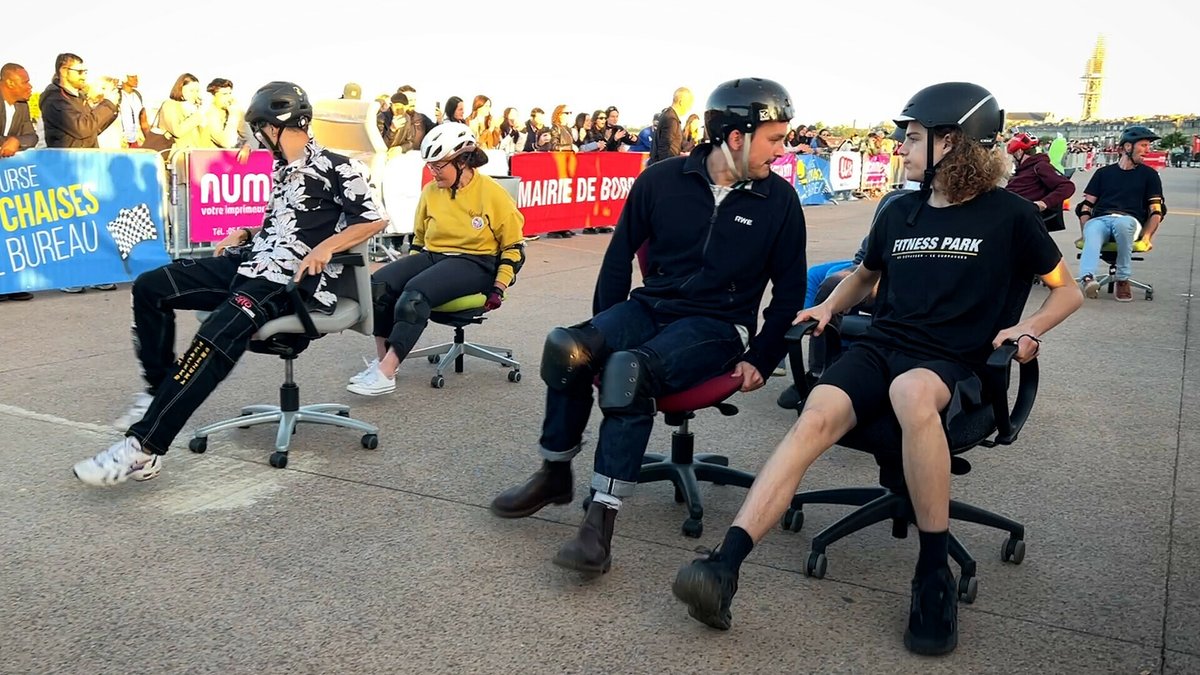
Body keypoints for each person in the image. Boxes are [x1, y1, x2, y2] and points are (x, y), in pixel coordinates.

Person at [671, 82, 1083, 656]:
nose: (901, 149)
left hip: (954, 363)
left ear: (954, 141)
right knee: (816, 414)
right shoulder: (899, 208)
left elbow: (1068, 293)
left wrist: (1029, 328)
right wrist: (828, 305)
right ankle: (724, 564)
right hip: (881, 345)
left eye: (913, 138)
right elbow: (866, 275)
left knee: (913, 393)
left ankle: (932, 574)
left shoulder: (1009, 215)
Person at [489, 77, 807, 576]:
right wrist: (600, 329)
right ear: (736, 136)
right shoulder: (660, 180)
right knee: (569, 347)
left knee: (629, 371)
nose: (782, 150)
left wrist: (763, 356)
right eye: (774, 138)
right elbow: (617, 260)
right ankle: (554, 473)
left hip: (719, 325)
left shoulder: (780, 201)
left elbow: (790, 291)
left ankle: (599, 523)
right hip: (651, 305)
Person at [73, 81, 387, 486]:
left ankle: (143, 449)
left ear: (274, 127)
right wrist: (246, 231)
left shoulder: (339, 166)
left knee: (216, 332)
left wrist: (326, 248)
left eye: (259, 129)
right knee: (153, 286)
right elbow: (288, 223)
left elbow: (374, 218)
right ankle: (159, 391)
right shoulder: (281, 169)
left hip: (287, 279)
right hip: (251, 262)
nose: (256, 138)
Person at [346, 122, 526, 396]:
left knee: (414, 296)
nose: (433, 172)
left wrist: (499, 287)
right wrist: (410, 271)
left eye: (439, 166)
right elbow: (419, 239)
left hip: (477, 262)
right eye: (430, 166)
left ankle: (386, 372)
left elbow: (514, 247)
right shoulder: (431, 192)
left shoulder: (493, 194)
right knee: (378, 286)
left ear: (463, 161)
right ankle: (384, 363)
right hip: (435, 256)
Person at [39, 53, 121, 293]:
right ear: (64, 71)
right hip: (67, 168)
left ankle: (95, 273)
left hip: (88, 165)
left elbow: (93, 129)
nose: (85, 76)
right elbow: (82, 128)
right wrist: (106, 105)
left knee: (92, 223)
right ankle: (68, 276)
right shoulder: (53, 97)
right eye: (80, 71)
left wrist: (110, 106)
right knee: (70, 226)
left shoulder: (80, 97)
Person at [1075, 125, 1166, 302]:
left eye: (1148, 146)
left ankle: (1122, 278)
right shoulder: (1103, 173)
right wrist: (1084, 231)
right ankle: (1088, 278)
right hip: (1102, 219)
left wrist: (1147, 237)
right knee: (1093, 227)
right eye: (1144, 145)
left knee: (1122, 224)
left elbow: (1156, 210)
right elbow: (1086, 206)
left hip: (1129, 221)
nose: (1148, 150)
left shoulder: (1150, 175)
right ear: (1127, 147)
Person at [0, 62, 37, 301]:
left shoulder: (22, 107)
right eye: (25, 81)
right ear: (10, 82)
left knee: (9, 226)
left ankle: (10, 284)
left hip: (8, 181)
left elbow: (32, 136)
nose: (30, 86)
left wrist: (15, 141)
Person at [1004, 132, 1075, 232]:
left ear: (1019, 152)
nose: (1012, 159)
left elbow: (1067, 186)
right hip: (1012, 212)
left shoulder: (1040, 166)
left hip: (1023, 216)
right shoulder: (1022, 170)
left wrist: (1044, 203)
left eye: (1013, 154)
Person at [650, 86, 693, 164]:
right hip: (665, 167)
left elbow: (680, 142)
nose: (689, 108)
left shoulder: (668, 115)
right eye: (689, 104)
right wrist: (667, 167)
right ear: (681, 102)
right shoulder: (671, 119)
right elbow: (665, 148)